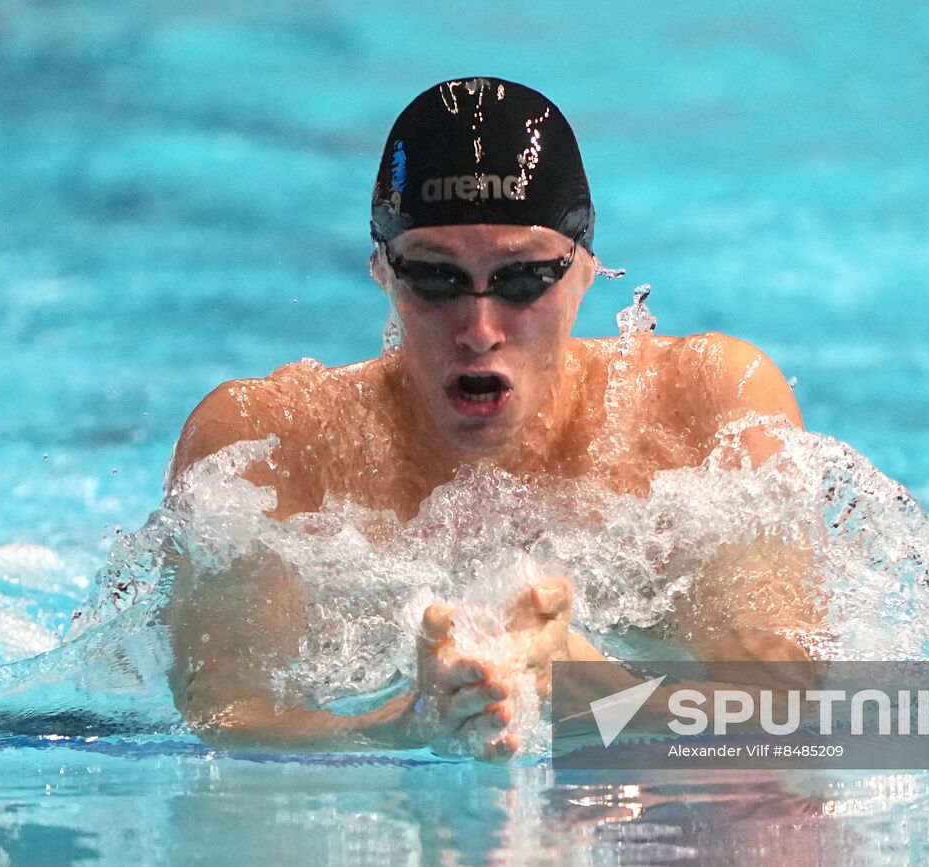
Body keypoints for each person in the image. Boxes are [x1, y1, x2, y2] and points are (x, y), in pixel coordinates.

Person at [162, 77, 812, 759]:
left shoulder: (707, 412)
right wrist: (395, 726)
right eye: (436, 279)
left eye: (523, 279)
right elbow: (225, 721)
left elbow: (794, 712)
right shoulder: (266, 451)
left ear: (587, 268)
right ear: (383, 270)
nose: (479, 328)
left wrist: (595, 687)